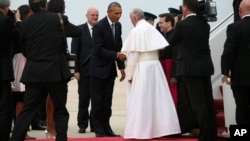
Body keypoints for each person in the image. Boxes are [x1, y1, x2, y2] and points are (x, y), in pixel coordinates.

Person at [9, 0, 82, 141]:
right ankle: (61, 137)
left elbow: (23, 48)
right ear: (46, 5)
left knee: (28, 110)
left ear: (31, 6)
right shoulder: (58, 19)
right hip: (56, 73)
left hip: (33, 73)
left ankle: (16, 138)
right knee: (60, 109)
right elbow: (78, 32)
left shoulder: (25, 24)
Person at [120, 8, 180, 139]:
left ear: (134, 19)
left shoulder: (136, 31)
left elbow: (134, 55)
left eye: (131, 20)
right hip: (155, 67)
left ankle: (142, 131)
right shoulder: (152, 28)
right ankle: (163, 129)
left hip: (143, 68)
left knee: (143, 101)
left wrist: (129, 75)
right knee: (158, 99)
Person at [168, 0, 217, 141]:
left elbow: (172, 41)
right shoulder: (205, 24)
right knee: (208, 102)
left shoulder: (183, 25)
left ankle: (205, 135)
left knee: (198, 104)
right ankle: (211, 133)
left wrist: (178, 23)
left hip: (190, 69)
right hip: (205, 67)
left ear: (185, 8)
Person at [89, 1, 125, 137]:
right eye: (116, 13)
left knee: (107, 102)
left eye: (120, 13)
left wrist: (121, 67)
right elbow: (98, 49)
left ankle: (106, 127)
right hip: (98, 70)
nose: (119, 16)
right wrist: (116, 55)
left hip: (110, 70)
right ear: (108, 12)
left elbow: (118, 46)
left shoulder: (119, 26)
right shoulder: (99, 27)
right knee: (97, 102)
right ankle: (98, 129)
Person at [221, 0, 250, 126]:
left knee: (242, 110)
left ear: (239, 11)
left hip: (241, 78)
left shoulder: (235, 27)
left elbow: (229, 51)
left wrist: (225, 72)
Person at [71, 7, 99, 134]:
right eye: (92, 15)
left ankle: (95, 125)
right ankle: (82, 124)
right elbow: (74, 52)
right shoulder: (78, 30)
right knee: (84, 99)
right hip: (83, 71)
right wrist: (76, 71)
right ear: (86, 15)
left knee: (96, 99)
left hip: (98, 71)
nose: (95, 17)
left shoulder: (100, 29)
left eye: (97, 15)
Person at [12, 4, 35, 140]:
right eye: (31, 14)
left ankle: (21, 129)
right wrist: (19, 20)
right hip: (21, 62)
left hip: (25, 62)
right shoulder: (20, 26)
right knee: (21, 98)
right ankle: (20, 130)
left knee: (23, 99)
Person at [0, 1, 20, 141]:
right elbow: (18, 36)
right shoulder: (6, 20)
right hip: (2, 72)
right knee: (4, 108)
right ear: (6, 8)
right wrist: (17, 20)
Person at [158, 13, 178, 107]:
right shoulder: (164, 36)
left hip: (170, 70)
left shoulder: (175, 35)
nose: (159, 25)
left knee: (173, 98)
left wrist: (173, 75)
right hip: (164, 69)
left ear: (169, 23)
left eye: (161, 23)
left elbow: (176, 56)